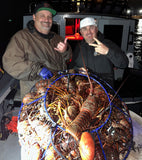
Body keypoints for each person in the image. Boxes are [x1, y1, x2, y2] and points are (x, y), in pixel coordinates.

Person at [2, 1, 72, 99]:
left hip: (58, 92)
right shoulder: (21, 37)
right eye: (42, 15)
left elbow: (68, 58)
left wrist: (65, 51)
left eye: (49, 16)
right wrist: (38, 70)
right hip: (35, 95)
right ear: (34, 17)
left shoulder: (57, 38)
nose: (47, 19)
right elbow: (10, 62)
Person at [69, 17, 128, 87]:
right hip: (84, 90)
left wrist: (108, 51)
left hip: (104, 91)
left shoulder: (107, 44)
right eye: (84, 29)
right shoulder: (78, 47)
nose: (88, 32)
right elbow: (72, 67)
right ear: (81, 32)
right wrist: (78, 70)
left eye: (91, 27)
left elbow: (124, 64)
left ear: (96, 29)